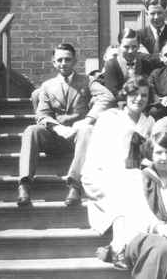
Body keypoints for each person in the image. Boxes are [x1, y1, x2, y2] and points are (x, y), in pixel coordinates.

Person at [17, 43, 112, 206]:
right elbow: (42, 114)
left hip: (79, 138)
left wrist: (87, 120)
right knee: (31, 130)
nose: (63, 63)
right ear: (54, 62)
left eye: (67, 59)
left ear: (75, 61)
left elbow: (107, 97)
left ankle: (74, 185)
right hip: (55, 136)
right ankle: (24, 185)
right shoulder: (47, 86)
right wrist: (58, 128)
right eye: (59, 60)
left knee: (88, 130)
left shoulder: (88, 81)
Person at [96, 132, 167, 278]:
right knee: (160, 248)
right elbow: (137, 215)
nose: (164, 157)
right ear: (150, 154)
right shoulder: (138, 179)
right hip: (144, 233)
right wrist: (158, 228)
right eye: (158, 152)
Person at [82, 76, 155, 246]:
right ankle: (120, 247)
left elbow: (148, 154)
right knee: (127, 189)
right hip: (102, 173)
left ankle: (124, 247)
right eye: (134, 94)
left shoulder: (149, 121)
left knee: (136, 183)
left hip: (134, 173)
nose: (139, 99)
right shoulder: (109, 117)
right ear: (126, 95)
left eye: (144, 95)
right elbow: (96, 155)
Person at [97, 28, 149, 99]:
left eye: (134, 47)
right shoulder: (111, 65)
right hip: (118, 104)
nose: (130, 51)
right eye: (126, 47)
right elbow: (112, 93)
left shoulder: (145, 63)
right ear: (119, 46)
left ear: (139, 46)